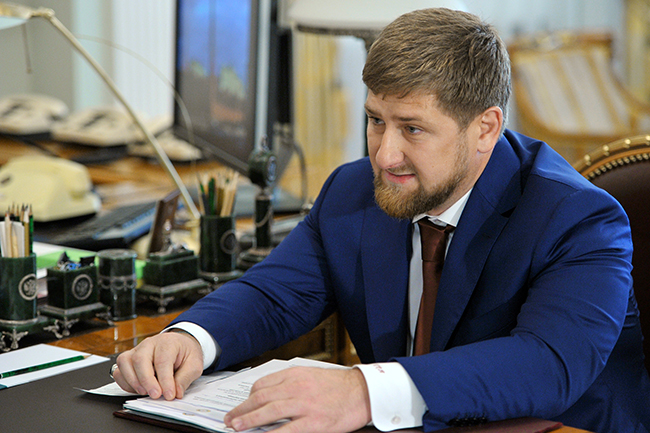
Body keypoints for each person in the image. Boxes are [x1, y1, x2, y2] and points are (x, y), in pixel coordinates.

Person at [114, 8, 650, 433]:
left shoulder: (577, 217)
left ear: (485, 128)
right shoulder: (354, 190)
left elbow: (547, 364)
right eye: (375, 121)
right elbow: (276, 294)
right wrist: (193, 338)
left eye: (412, 129)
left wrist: (364, 391)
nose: (384, 155)